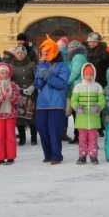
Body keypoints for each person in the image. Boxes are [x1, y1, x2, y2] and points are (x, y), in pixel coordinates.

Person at [34, 35, 71, 165]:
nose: (45, 53)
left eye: (47, 51)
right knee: (42, 128)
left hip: (56, 103)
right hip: (42, 103)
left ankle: (56, 155)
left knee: (54, 130)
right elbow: (38, 85)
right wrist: (40, 78)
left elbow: (62, 84)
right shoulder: (42, 64)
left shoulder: (63, 66)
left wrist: (48, 77)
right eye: (44, 51)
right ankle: (48, 154)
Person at [70, 63, 106, 165]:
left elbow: (102, 100)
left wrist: (98, 106)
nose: (89, 76)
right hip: (82, 119)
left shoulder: (98, 87)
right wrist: (77, 107)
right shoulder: (78, 87)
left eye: (91, 74)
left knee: (93, 139)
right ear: (83, 75)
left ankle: (93, 156)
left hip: (94, 119)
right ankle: (82, 156)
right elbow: (73, 100)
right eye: (87, 74)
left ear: (94, 75)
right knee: (82, 139)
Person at [0, 63, 21, 165]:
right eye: (2, 73)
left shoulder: (13, 85)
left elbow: (19, 99)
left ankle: (11, 156)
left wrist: (13, 98)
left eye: (6, 73)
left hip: (11, 114)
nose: (5, 75)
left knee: (11, 136)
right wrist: (3, 96)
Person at [11, 46, 38, 146]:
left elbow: (37, 78)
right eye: (18, 53)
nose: (20, 55)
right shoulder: (12, 65)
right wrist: (14, 86)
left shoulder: (32, 64)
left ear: (25, 54)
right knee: (20, 116)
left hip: (30, 94)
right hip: (18, 94)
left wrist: (33, 86)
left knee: (32, 116)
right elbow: (9, 78)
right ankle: (22, 138)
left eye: (22, 53)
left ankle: (34, 137)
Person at [67, 39, 88, 145]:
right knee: (77, 112)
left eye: (70, 48)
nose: (68, 50)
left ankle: (79, 136)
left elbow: (75, 72)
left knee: (78, 112)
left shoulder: (78, 57)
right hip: (78, 87)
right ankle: (78, 135)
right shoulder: (78, 56)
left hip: (78, 87)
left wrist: (66, 82)